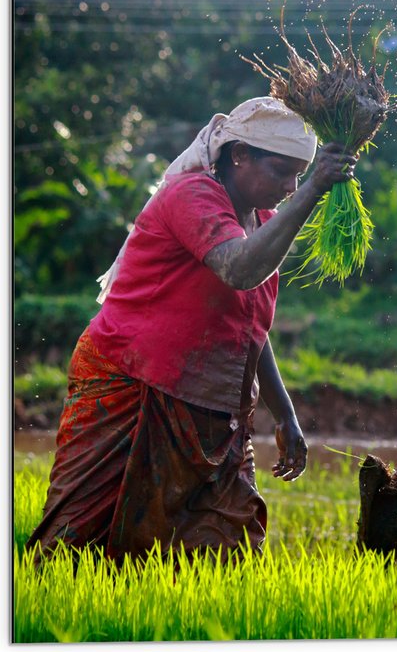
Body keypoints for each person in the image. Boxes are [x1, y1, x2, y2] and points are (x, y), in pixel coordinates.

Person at [26, 97, 357, 564]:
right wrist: (315, 189)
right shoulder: (191, 196)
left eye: (300, 175)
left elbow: (250, 329)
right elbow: (239, 270)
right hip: (131, 379)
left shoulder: (260, 220)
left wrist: (285, 415)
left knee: (228, 542)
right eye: (282, 171)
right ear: (239, 155)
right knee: (80, 535)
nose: (290, 186)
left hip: (213, 404)